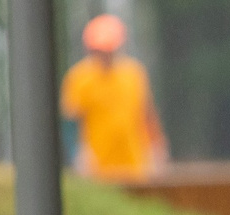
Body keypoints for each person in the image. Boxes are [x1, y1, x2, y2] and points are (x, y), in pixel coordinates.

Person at [58, 14, 165, 179]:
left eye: (110, 50)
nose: (106, 55)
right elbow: (71, 122)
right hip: (97, 168)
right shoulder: (79, 78)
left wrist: (157, 147)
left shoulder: (134, 74)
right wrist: (77, 154)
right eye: (101, 50)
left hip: (134, 164)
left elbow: (147, 114)